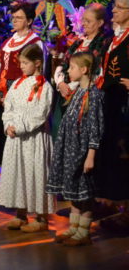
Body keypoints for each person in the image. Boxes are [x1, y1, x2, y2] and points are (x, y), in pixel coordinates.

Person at [47, 52, 104, 246]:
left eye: (72, 68)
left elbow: (95, 128)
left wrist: (90, 155)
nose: (68, 71)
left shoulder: (94, 95)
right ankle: (73, 227)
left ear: (84, 69)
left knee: (84, 193)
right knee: (74, 191)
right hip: (71, 149)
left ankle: (84, 231)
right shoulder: (79, 91)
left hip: (82, 151)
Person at [0, 44, 55, 233]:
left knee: (36, 174)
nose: (21, 66)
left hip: (34, 138)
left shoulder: (45, 87)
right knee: (18, 173)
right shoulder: (17, 84)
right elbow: (8, 107)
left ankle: (41, 218)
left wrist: (20, 127)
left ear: (37, 63)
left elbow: (40, 114)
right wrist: (8, 125)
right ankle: (20, 213)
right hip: (15, 138)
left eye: (24, 63)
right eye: (20, 62)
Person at [0, 2, 43, 164]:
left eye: (19, 17)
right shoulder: (8, 42)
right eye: (13, 17)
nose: (15, 20)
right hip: (2, 94)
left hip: (21, 94)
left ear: (29, 21)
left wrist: (19, 97)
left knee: (15, 134)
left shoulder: (34, 43)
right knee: (0, 135)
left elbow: (38, 74)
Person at [95, 0, 129, 231]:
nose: (113, 10)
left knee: (125, 154)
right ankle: (112, 204)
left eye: (119, 7)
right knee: (112, 154)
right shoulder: (113, 38)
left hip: (125, 105)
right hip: (112, 104)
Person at [52, 4, 109, 138]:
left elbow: (97, 72)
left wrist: (73, 88)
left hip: (84, 97)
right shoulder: (79, 41)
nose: (83, 24)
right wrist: (61, 83)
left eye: (88, 21)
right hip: (65, 93)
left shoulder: (103, 43)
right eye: (83, 19)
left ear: (100, 23)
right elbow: (64, 65)